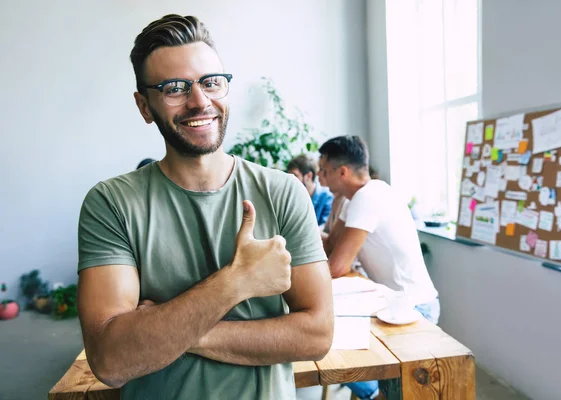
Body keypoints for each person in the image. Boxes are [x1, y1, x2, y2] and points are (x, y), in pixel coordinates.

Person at [76, 14, 333, 400]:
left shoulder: (283, 192)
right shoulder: (111, 204)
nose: (200, 102)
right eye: (175, 88)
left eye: (211, 82)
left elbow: (317, 335)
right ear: (145, 106)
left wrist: (176, 331)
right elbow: (112, 362)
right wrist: (236, 283)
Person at [318, 135, 439, 400]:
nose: (320, 177)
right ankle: (378, 394)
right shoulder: (353, 199)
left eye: (324, 171)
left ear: (342, 172)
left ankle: (376, 395)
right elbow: (329, 248)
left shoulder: (368, 197)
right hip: (390, 302)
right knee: (329, 341)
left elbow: (337, 266)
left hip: (413, 306)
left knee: (331, 350)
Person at [287, 154, 333, 227]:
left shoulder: (327, 198)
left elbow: (324, 229)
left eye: (295, 176)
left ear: (309, 176)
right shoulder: (292, 196)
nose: (290, 181)